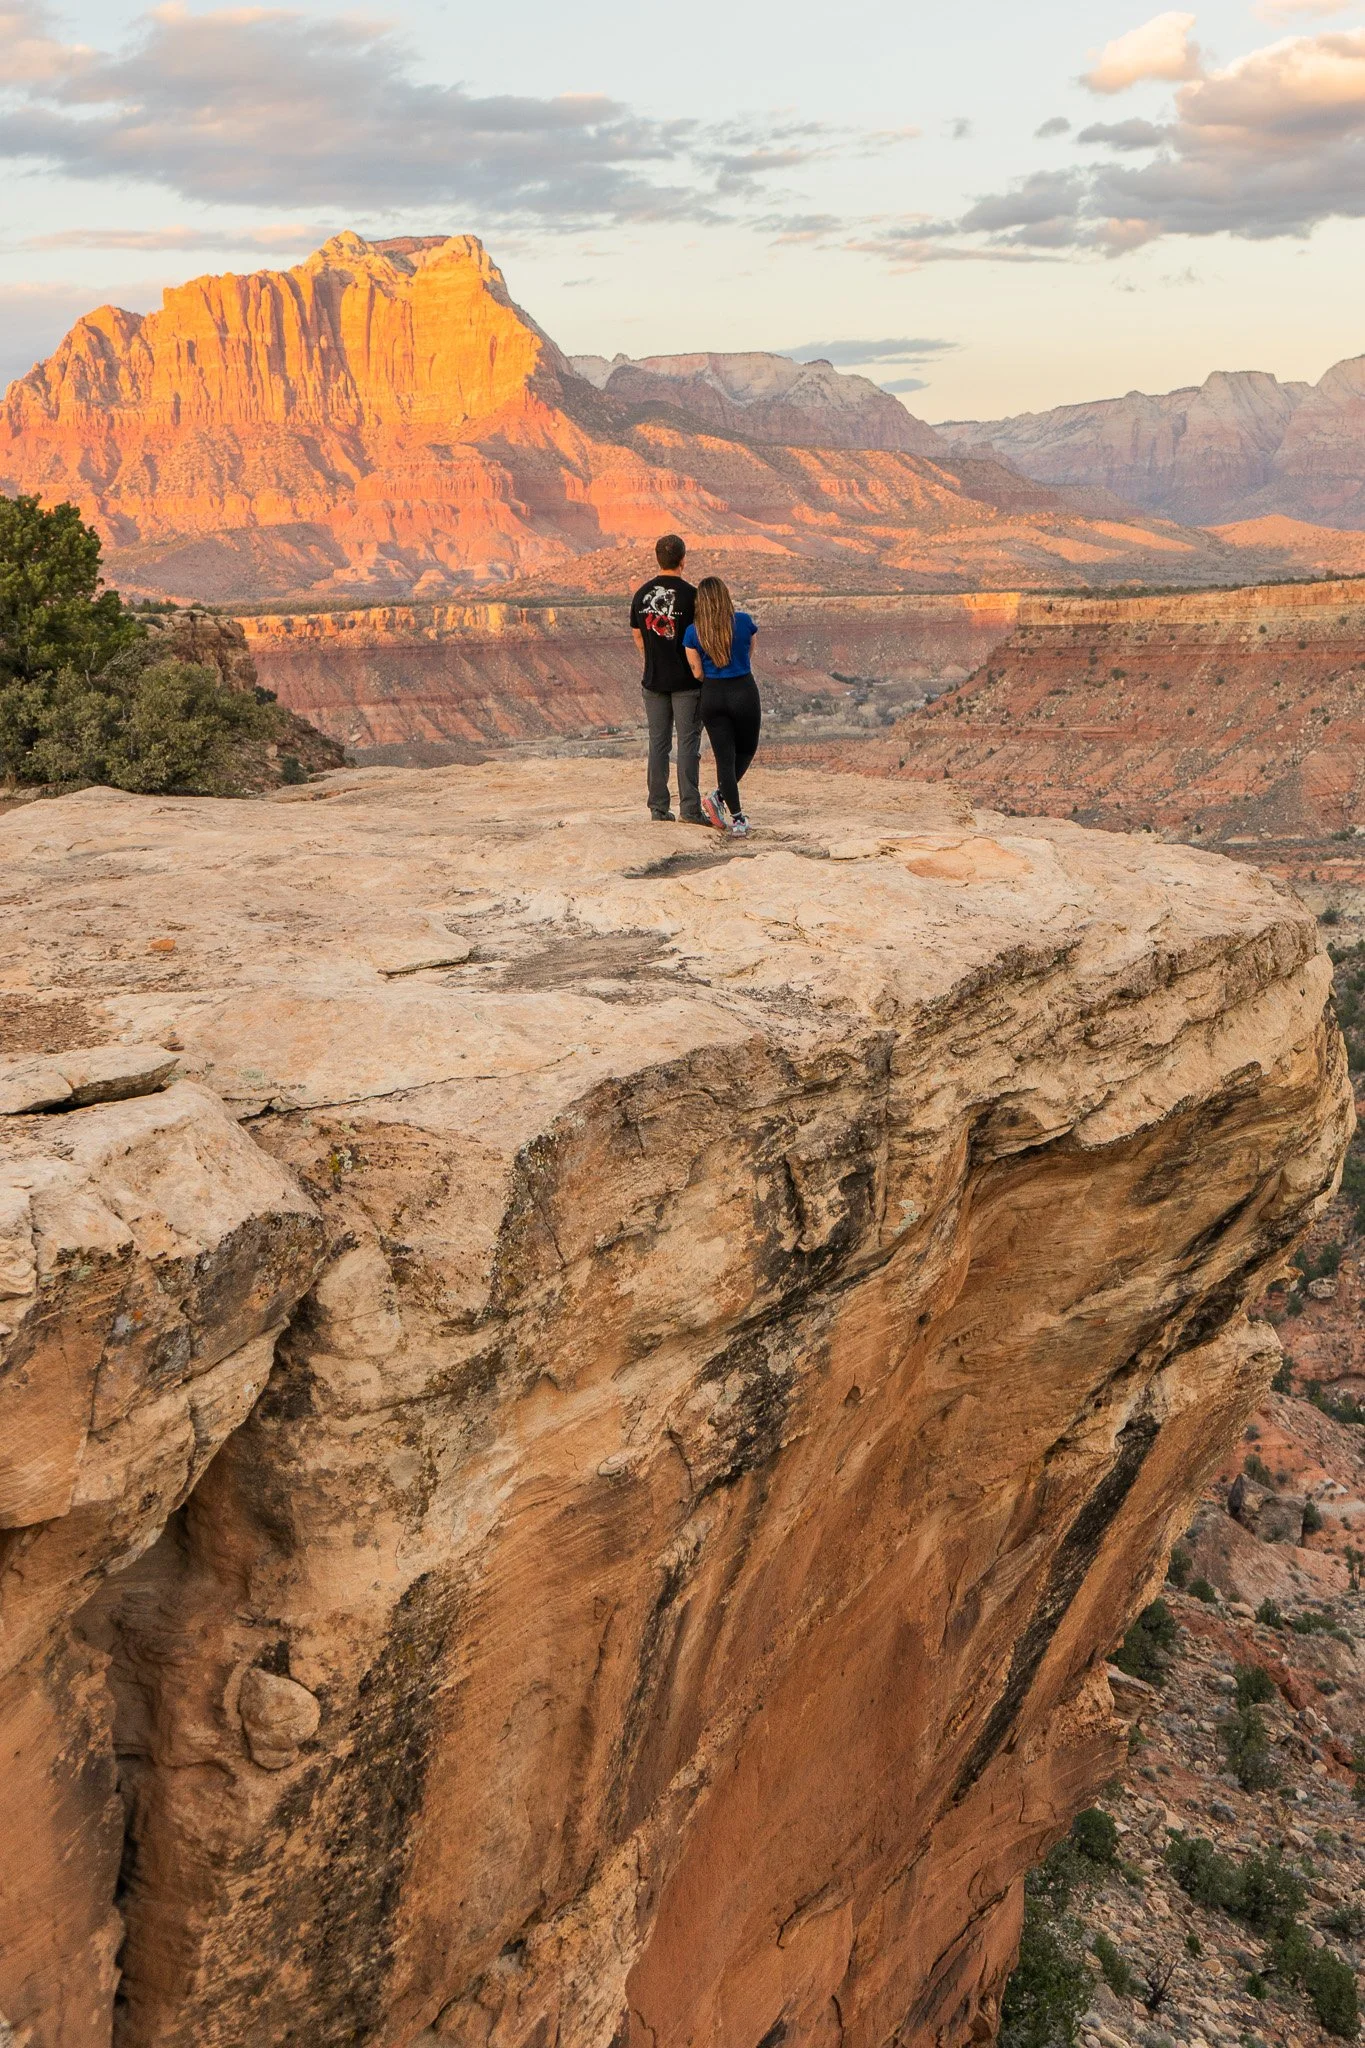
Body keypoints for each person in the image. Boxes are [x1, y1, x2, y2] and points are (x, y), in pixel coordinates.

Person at [629, 534, 703, 823]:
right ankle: (690, 809)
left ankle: (658, 809)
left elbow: (637, 634)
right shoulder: (692, 595)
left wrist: (650, 661)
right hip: (686, 682)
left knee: (658, 744)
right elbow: (700, 637)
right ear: (683, 560)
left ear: (658, 559)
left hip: (654, 680)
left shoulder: (642, 594)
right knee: (688, 745)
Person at [683, 578, 760, 837]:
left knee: (723, 759)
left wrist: (715, 677)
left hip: (713, 695)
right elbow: (749, 653)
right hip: (743, 691)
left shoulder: (693, 632)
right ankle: (718, 797)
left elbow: (696, 672)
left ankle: (737, 819)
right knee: (746, 749)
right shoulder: (744, 622)